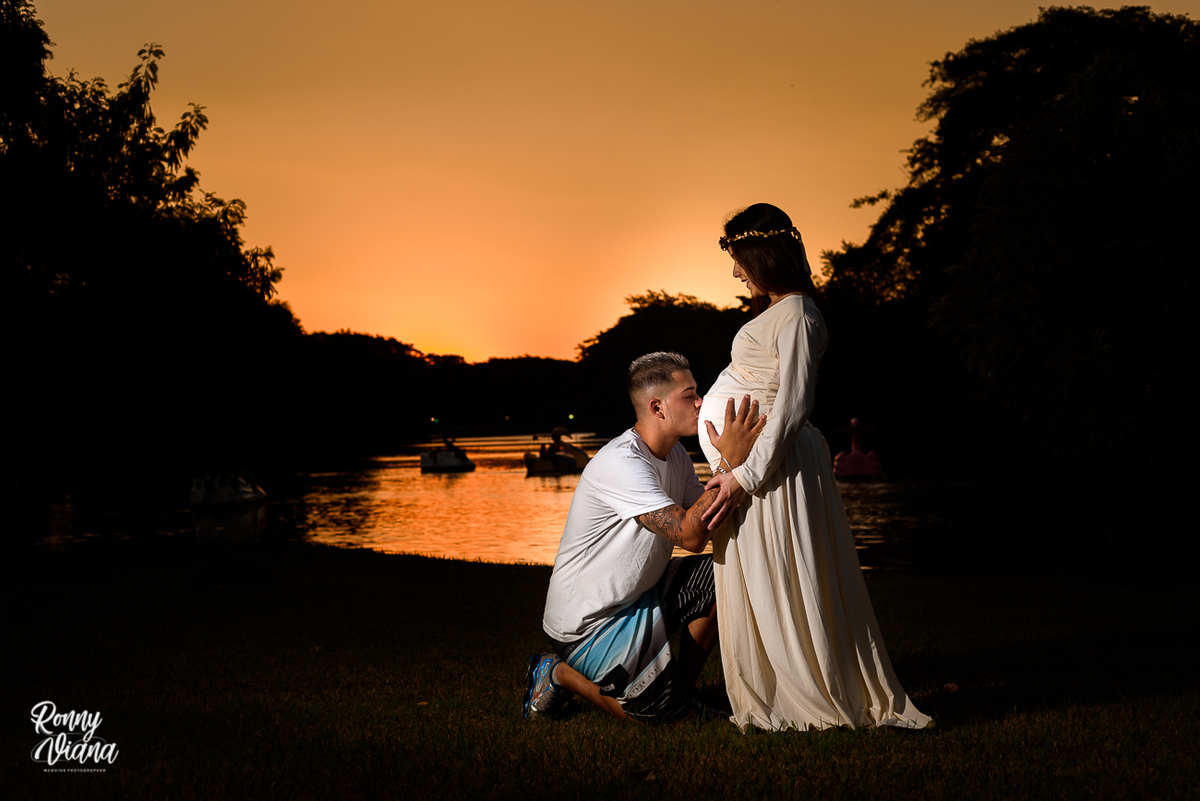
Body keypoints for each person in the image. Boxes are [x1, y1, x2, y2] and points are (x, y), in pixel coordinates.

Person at [698, 203, 931, 732]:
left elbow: (793, 405)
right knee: (754, 577)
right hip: (750, 465)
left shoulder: (800, 314)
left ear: (763, 255)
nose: (735, 272)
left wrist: (745, 475)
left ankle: (807, 694)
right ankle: (770, 693)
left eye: (739, 260)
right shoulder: (777, 312)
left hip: (771, 469)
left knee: (782, 574)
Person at [526, 352, 765, 722]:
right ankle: (556, 673)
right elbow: (687, 535)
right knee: (657, 718)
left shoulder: (677, 457)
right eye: (689, 395)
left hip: (640, 597)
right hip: (589, 624)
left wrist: (747, 471)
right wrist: (729, 463)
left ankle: (681, 692)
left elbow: (707, 523)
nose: (701, 401)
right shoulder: (622, 463)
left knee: (723, 575)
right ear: (658, 407)